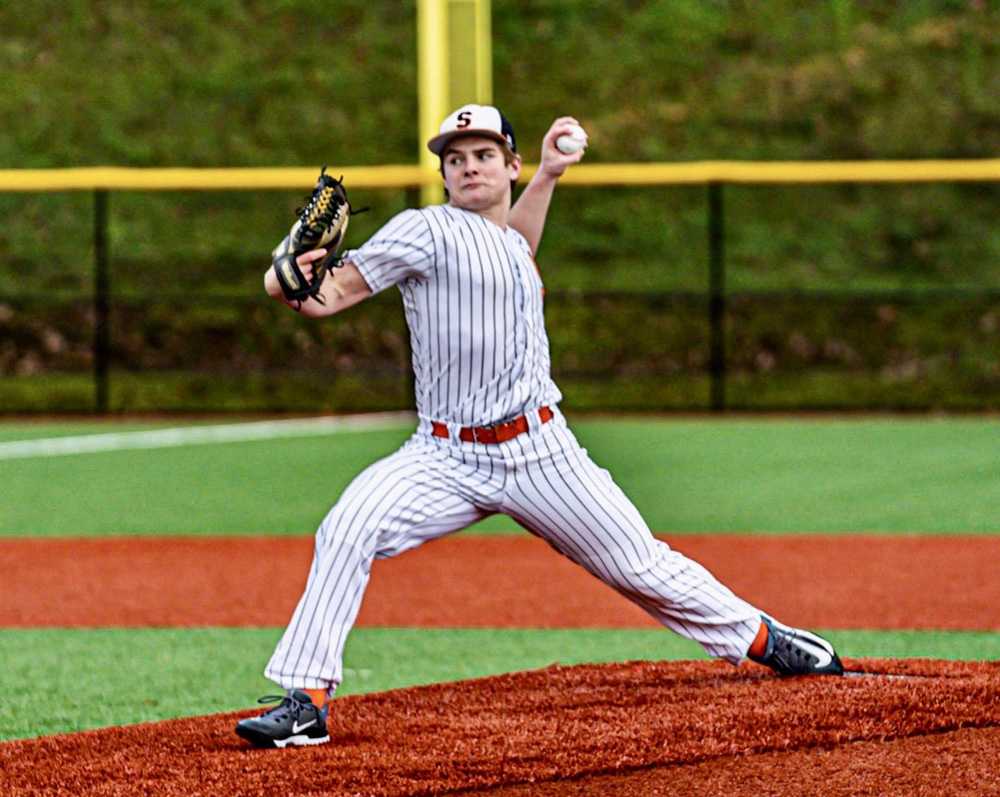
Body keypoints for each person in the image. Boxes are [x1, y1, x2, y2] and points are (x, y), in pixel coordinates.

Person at [235, 104, 844, 749]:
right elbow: (326, 295)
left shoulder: (509, 241)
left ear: (511, 167)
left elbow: (514, 246)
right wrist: (284, 272)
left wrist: (550, 174)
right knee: (347, 527)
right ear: (443, 175)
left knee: (639, 566)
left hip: (541, 453)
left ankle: (766, 638)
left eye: (484, 155)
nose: (469, 167)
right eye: (455, 159)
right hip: (442, 456)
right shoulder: (424, 231)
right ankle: (306, 701)